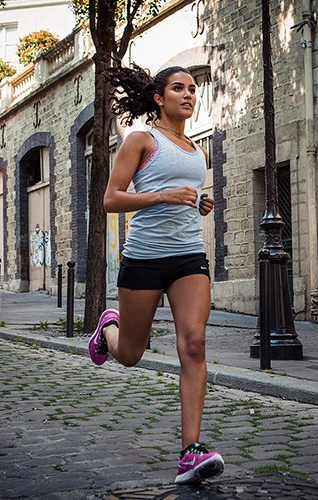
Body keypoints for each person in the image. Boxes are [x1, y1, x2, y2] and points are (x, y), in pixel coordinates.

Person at [88, 64, 224, 485]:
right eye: (179, 88)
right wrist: (165, 195)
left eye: (193, 89)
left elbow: (184, 195)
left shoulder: (196, 151)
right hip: (144, 258)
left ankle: (190, 451)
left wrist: (198, 203)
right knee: (130, 354)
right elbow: (111, 199)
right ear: (159, 98)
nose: (188, 95)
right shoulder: (141, 140)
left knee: (195, 342)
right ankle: (108, 328)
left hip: (188, 256)